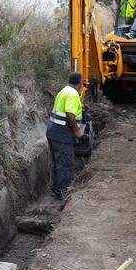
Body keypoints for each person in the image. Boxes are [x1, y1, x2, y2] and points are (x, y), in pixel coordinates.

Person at [46, 72, 85, 200]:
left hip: (53, 131)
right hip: (62, 133)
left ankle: (56, 189)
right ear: (80, 82)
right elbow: (70, 113)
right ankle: (63, 191)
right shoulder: (73, 94)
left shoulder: (64, 91)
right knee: (65, 162)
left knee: (56, 162)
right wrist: (77, 130)